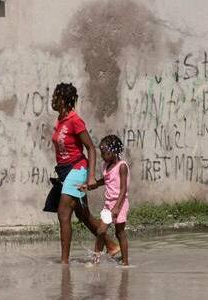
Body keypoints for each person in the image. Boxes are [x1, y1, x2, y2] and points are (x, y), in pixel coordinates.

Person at [50, 82, 119, 264]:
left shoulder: (75, 120)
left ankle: (64, 263)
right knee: (83, 215)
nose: (52, 99)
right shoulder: (60, 120)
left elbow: (91, 148)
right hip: (65, 171)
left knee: (63, 212)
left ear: (63, 99)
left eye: (55, 96)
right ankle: (112, 245)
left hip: (78, 168)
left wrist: (90, 177)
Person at [80, 135, 130, 265]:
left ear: (114, 152)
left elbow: (123, 189)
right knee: (100, 231)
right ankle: (96, 261)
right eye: (101, 152)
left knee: (120, 233)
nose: (102, 156)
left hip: (120, 203)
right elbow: (105, 180)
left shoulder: (122, 166)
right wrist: (91, 185)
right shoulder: (105, 165)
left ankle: (125, 262)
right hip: (108, 204)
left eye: (105, 153)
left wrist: (117, 207)